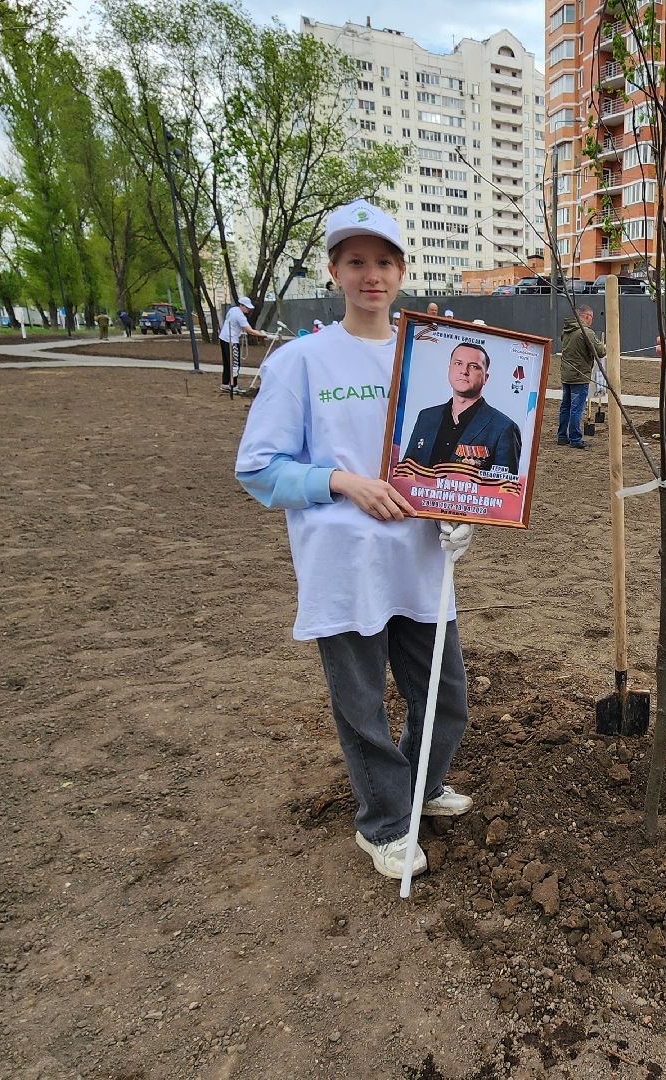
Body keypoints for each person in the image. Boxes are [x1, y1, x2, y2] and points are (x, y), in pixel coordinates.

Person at [234, 198, 475, 881]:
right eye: (356, 262)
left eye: (385, 262)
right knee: (362, 704)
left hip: (420, 558)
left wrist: (460, 510)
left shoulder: (427, 358)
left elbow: (450, 456)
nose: (372, 275)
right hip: (344, 563)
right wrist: (342, 482)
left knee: (444, 696)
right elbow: (259, 469)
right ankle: (385, 824)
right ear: (335, 271)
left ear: (402, 271)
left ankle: (422, 784)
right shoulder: (302, 361)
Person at [402, 342, 522, 477]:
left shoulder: (504, 428)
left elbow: (504, 486)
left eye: (473, 366)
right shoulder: (426, 417)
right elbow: (405, 471)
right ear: (449, 369)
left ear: (485, 378)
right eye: (458, 363)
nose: (464, 371)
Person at [558, 304, 605, 450]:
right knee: (576, 408)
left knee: (565, 406)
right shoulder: (586, 332)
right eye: (592, 318)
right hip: (580, 375)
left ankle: (562, 436)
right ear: (588, 316)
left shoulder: (567, 331)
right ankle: (575, 438)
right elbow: (600, 351)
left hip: (566, 374)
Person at [219, 294, 272, 392]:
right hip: (231, 340)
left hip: (223, 338)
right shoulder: (239, 316)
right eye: (247, 308)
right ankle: (233, 386)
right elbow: (250, 331)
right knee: (235, 364)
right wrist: (263, 335)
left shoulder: (233, 310)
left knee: (227, 363)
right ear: (241, 305)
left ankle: (225, 384)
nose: (248, 310)